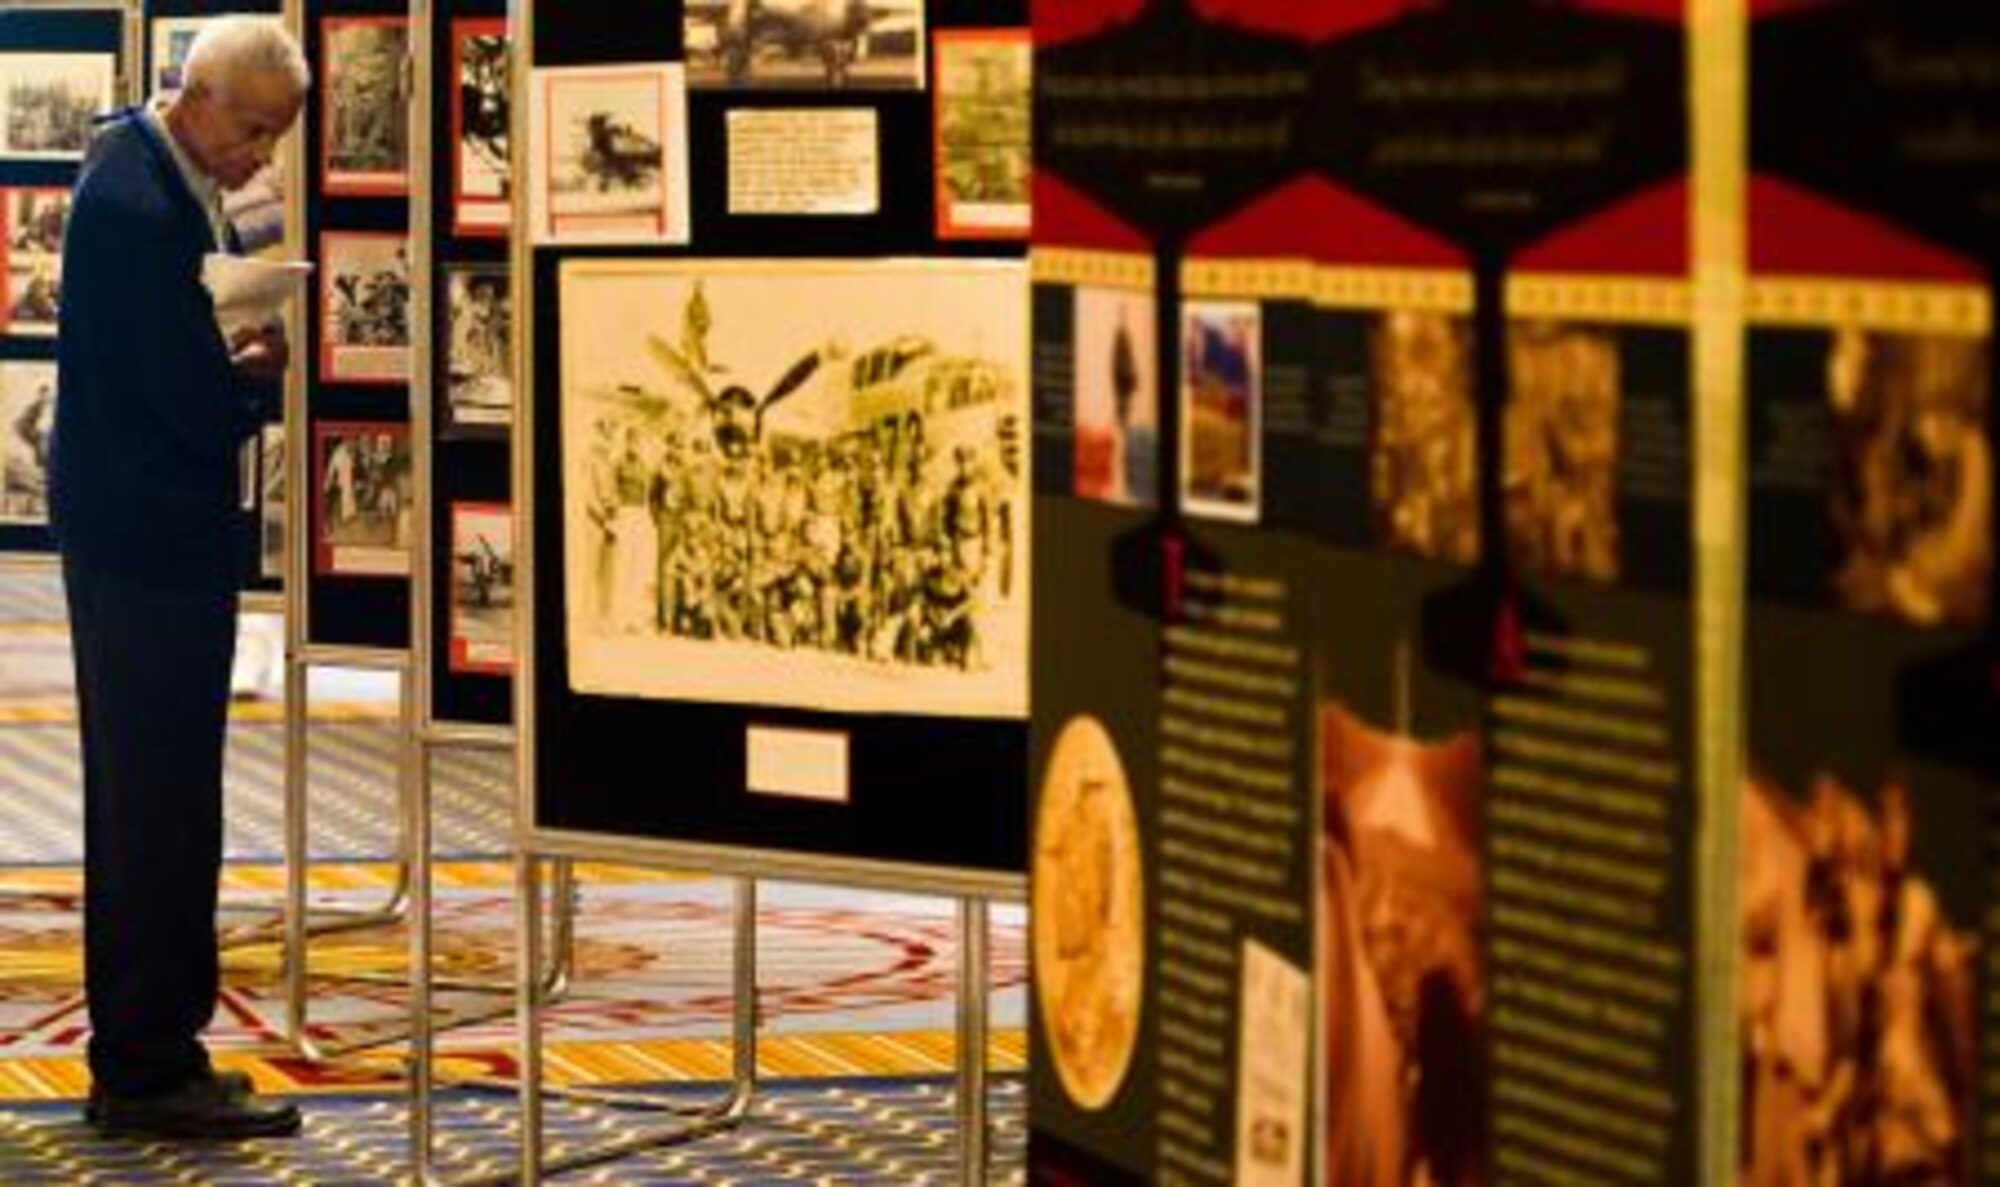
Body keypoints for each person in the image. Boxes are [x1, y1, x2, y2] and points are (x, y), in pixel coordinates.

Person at [50, 16, 307, 1139]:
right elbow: (185, 401)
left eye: (275, 138)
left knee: (156, 793)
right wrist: (254, 377)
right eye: (252, 130)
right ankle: (148, 1066)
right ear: (199, 97)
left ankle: (158, 1043)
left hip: (135, 529)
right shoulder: (137, 203)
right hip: (147, 534)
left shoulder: (136, 156)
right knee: (156, 801)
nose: (260, 157)